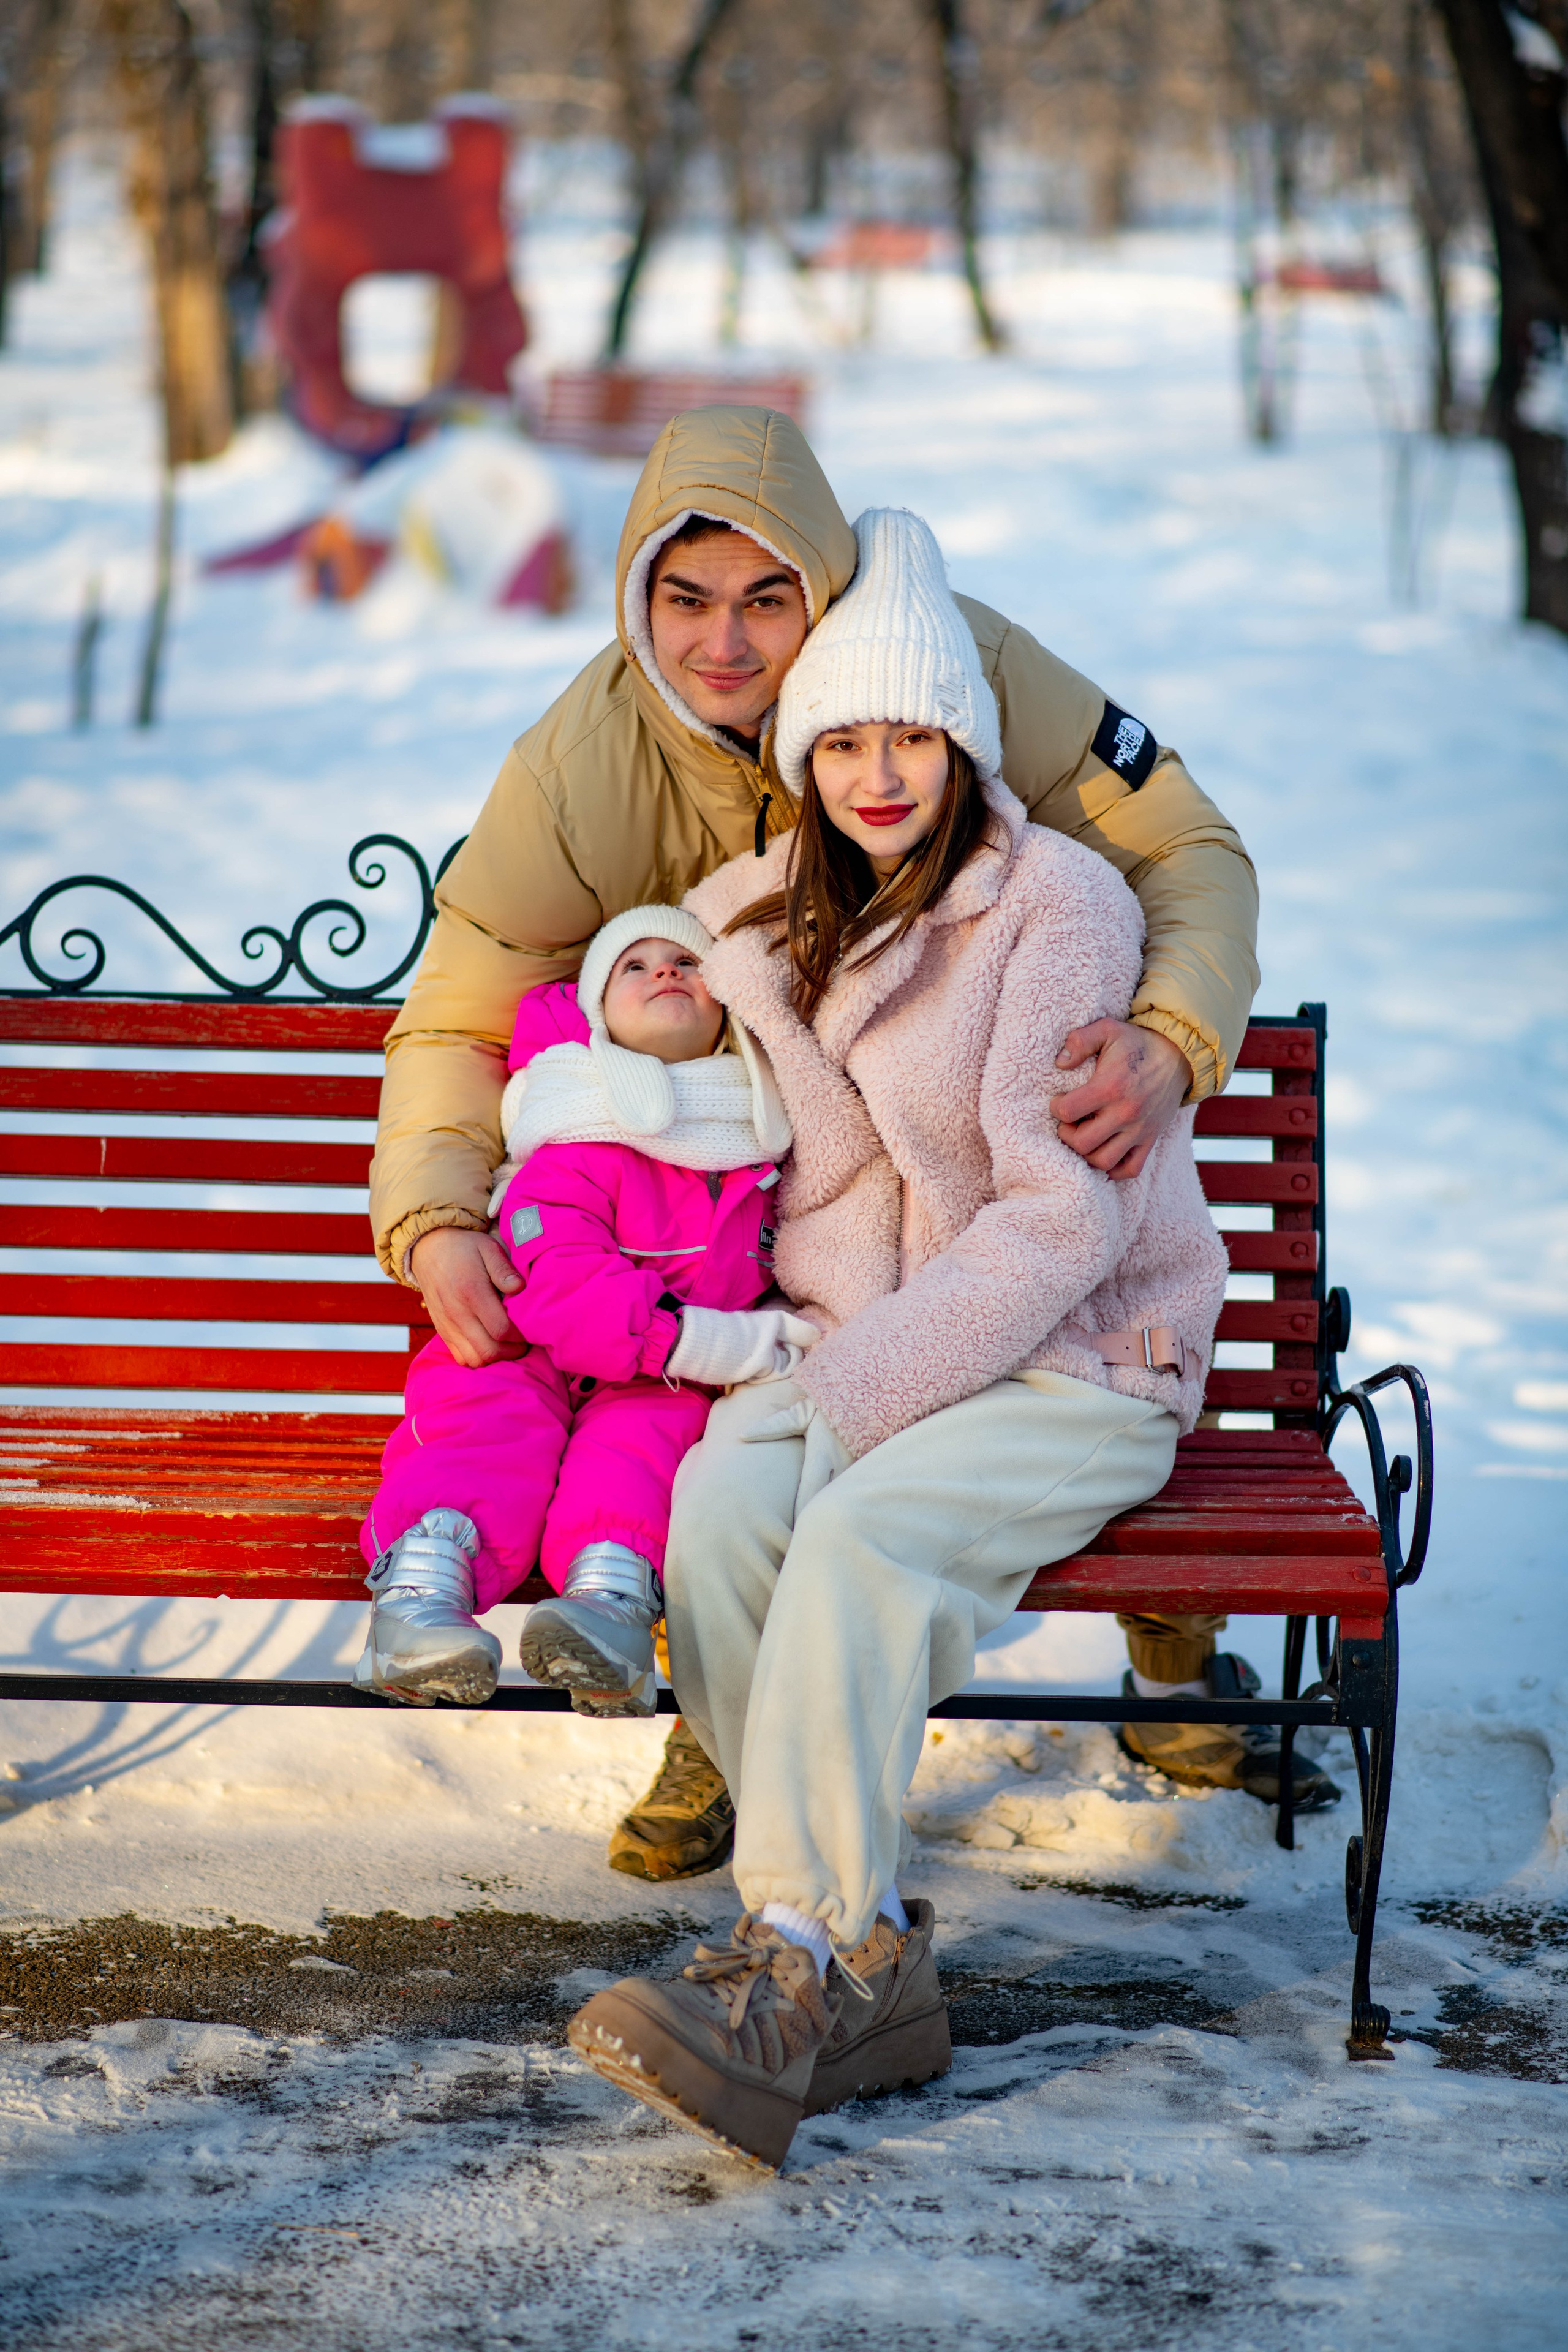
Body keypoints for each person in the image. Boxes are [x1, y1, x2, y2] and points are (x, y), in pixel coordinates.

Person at [369, 404, 1264, 1856]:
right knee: (732, 1455)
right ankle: (726, 1742)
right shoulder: (586, 761)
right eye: (683, 601)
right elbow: (464, 1001)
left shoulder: (946, 667)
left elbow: (1187, 851)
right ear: (634, 598)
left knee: (1049, 1338)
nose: (720, 646)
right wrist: (437, 1212)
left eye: (766, 600)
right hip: (771, 1194)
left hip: (996, 1135)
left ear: (828, 594)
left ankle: (1163, 1654)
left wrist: (1171, 1040)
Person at [565, 507, 1233, 2170]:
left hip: (1084, 1353)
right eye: (843, 739)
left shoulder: (1055, 906)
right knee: (724, 1513)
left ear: (961, 742)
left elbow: (1062, 1221)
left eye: (911, 736)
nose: (879, 773)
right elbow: (834, 1166)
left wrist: (859, 1389)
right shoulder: (797, 915)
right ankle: (837, 1939)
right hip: (895, 1336)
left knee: (858, 1540)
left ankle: (806, 1959)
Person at [354, 907, 813, 1716]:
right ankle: (421, 1602)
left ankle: (606, 1609)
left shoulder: (752, 1148)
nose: (665, 972)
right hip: (522, 1347)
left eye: (685, 960)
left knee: (645, 1446)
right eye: (633, 967)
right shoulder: (570, 1138)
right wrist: (705, 1340)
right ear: (598, 1014)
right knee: (485, 1428)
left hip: (654, 1383)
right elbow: (560, 1285)